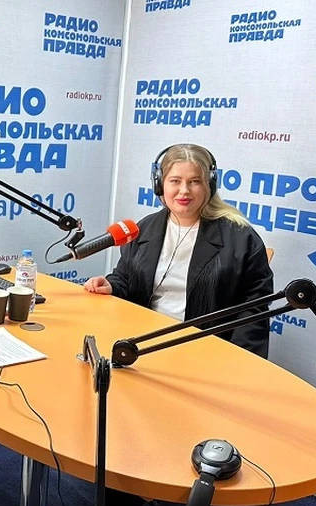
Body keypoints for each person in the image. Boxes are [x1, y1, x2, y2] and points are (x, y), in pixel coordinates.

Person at [85, 143, 274, 357]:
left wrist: (240, 362)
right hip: (141, 343)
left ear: (209, 185)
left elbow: (253, 311)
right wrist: (112, 286)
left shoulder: (240, 238)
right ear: (160, 184)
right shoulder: (144, 229)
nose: (184, 190)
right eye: (175, 181)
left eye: (195, 181)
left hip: (204, 351)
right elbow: (125, 278)